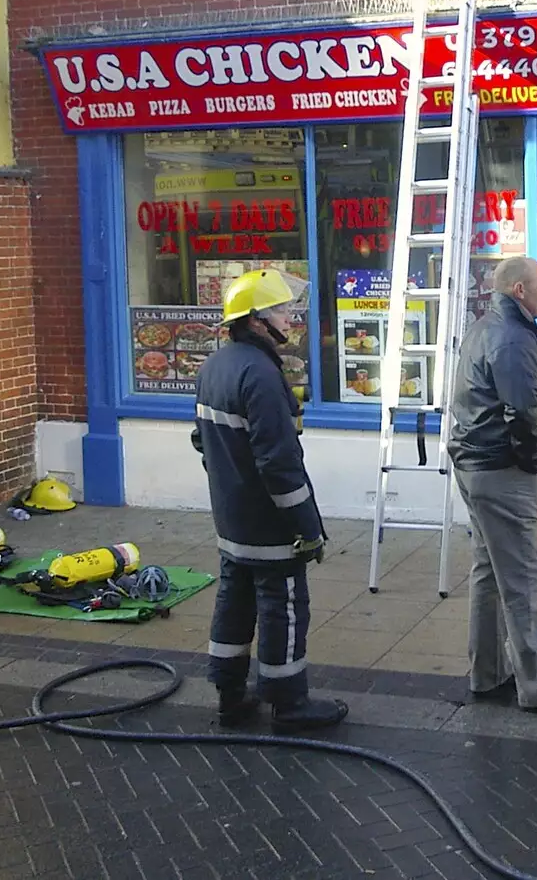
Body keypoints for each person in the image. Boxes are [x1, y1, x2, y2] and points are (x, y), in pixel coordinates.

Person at [192, 268, 348, 733]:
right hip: (268, 523)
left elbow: (202, 442)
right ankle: (289, 703)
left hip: (231, 518)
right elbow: (279, 464)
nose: (290, 318)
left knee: (234, 599)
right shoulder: (260, 374)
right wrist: (307, 527)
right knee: (282, 604)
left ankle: (230, 696)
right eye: (281, 310)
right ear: (257, 321)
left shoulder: (214, 366)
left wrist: (230, 487)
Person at [448, 255, 537, 719]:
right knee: (524, 582)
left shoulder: (489, 326)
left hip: (477, 466)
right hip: (503, 471)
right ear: (518, 290)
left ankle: (487, 676)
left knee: (489, 572)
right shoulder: (511, 337)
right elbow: (524, 413)